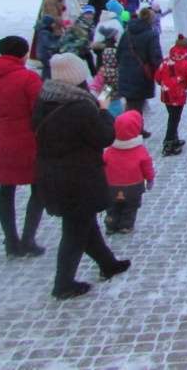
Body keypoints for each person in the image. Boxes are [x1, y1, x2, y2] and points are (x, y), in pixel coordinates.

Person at [32, 53, 130, 300]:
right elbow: (105, 136)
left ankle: (108, 263)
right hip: (77, 177)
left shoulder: (45, 99)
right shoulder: (80, 107)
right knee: (75, 230)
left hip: (51, 173)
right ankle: (63, 283)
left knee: (83, 222)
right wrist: (105, 111)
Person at [0, 36, 46, 258]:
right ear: (22, 54)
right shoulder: (29, 79)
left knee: (6, 191)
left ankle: (11, 240)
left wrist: (1, 124)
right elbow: (40, 112)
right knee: (37, 190)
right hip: (29, 143)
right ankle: (28, 239)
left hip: (0, 143)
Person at [103, 110, 155, 234]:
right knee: (131, 207)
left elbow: (102, 165)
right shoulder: (140, 150)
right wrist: (150, 179)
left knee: (111, 207)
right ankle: (126, 225)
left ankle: (110, 224)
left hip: (111, 186)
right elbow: (147, 166)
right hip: (134, 186)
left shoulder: (110, 151)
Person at [116, 7, 163, 132]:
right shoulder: (151, 34)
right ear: (151, 20)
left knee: (132, 102)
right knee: (135, 104)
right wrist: (162, 71)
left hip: (125, 71)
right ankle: (131, 130)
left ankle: (137, 128)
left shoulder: (127, 32)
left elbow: (118, 53)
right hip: (141, 74)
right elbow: (156, 57)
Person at [35, 15, 63, 80]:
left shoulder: (45, 31)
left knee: (47, 67)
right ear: (49, 23)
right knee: (48, 68)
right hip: (45, 54)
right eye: (53, 23)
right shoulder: (44, 32)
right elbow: (48, 43)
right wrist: (58, 44)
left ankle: (44, 80)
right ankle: (45, 81)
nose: (54, 24)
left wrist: (56, 37)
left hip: (43, 53)